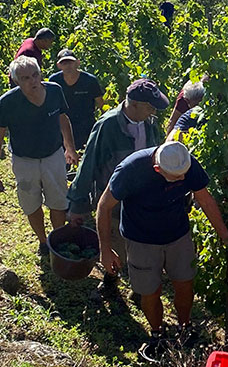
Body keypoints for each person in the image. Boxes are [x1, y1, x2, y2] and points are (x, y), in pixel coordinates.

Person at [96, 140, 228, 361]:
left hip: (178, 235)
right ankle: (157, 332)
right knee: (149, 291)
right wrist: (106, 249)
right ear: (158, 169)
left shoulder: (184, 163)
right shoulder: (131, 169)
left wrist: (225, 237)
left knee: (185, 282)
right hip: (141, 240)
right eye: (176, 178)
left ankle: (185, 326)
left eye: (183, 176)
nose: (182, 180)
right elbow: (104, 206)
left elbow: (205, 199)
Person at [67, 79, 168, 285]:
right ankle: (111, 281)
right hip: (114, 201)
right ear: (134, 104)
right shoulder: (107, 126)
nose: (153, 112)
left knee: (141, 244)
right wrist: (78, 203)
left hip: (141, 199)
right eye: (149, 107)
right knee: (114, 244)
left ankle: (139, 285)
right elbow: (88, 165)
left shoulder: (149, 123)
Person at [0, 56, 79, 257]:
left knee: (59, 200)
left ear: (41, 73)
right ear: (16, 81)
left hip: (53, 155)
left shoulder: (55, 90)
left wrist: (69, 147)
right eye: (25, 78)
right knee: (31, 202)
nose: (32, 81)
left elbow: (63, 118)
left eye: (35, 75)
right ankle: (43, 241)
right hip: (24, 161)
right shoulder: (8, 102)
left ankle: (57, 237)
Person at [49, 48, 104, 151]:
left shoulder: (90, 80)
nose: (68, 66)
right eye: (64, 63)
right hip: (62, 129)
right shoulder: (54, 81)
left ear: (77, 63)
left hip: (86, 127)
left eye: (70, 62)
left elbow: (102, 105)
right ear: (59, 65)